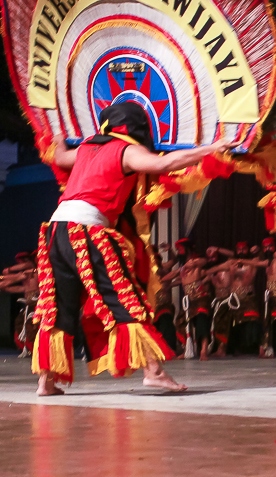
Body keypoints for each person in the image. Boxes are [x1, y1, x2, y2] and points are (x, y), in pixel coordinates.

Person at [33, 102, 235, 395]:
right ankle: (153, 372)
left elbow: (60, 154)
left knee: (57, 307)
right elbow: (164, 164)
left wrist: (58, 133)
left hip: (54, 231)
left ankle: (46, 381)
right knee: (124, 299)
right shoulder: (126, 150)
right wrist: (210, 148)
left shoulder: (88, 146)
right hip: (89, 231)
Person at [170, 238, 211, 361]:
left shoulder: (196, 262)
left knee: (201, 320)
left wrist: (202, 281)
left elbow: (202, 262)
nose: (179, 252)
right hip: (189, 300)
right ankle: (187, 349)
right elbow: (168, 277)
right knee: (181, 322)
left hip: (200, 298)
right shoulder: (182, 268)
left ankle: (203, 350)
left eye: (180, 249)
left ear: (187, 249)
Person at [4, 252, 39, 357]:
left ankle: (35, 349)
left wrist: (7, 273)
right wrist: (5, 287)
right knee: (20, 323)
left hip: (36, 301)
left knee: (31, 326)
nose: (19, 262)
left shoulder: (33, 269)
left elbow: (15, 276)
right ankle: (27, 348)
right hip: (29, 302)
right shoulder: (28, 275)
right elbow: (22, 288)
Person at [206, 246, 235, 358]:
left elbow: (232, 254)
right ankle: (219, 348)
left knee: (223, 324)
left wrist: (217, 249)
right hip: (218, 301)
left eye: (213, 257)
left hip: (228, 300)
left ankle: (222, 349)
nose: (211, 260)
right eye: (209, 258)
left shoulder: (226, 266)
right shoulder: (211, 272)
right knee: (216, 325)